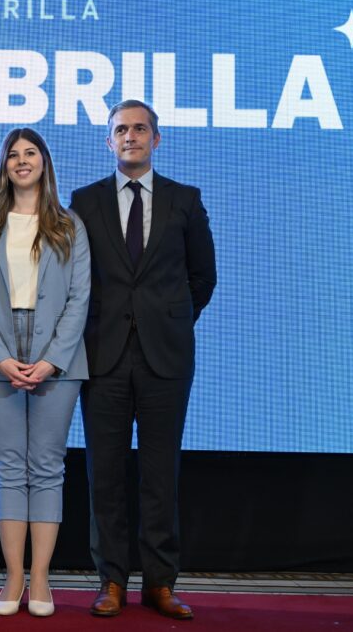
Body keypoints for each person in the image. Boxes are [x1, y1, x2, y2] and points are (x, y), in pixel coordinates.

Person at [69, 100, 216, 620]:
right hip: (102, 356)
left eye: (139, 128)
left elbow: (203, 277)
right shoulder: (84, 201)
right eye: (120, 130)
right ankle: (111, 581)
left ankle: (160, 583)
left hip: (165, 358)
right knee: (104, 475)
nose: (129, 136)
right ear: (108, 141)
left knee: (160, 474)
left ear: (157, 138)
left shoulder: (185, 200)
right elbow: (75, 278)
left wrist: (168, 319)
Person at [0, 128, 90, 617]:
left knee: (47, 466)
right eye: (13, 155)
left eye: (30, 153)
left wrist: (52, 359)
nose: (22, 161)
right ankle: (14, 575)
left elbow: (80, 297)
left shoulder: (69, 225)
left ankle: (40, 576)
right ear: (4, 165)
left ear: (44, 162)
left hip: (57, 357)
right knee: (9, 466)